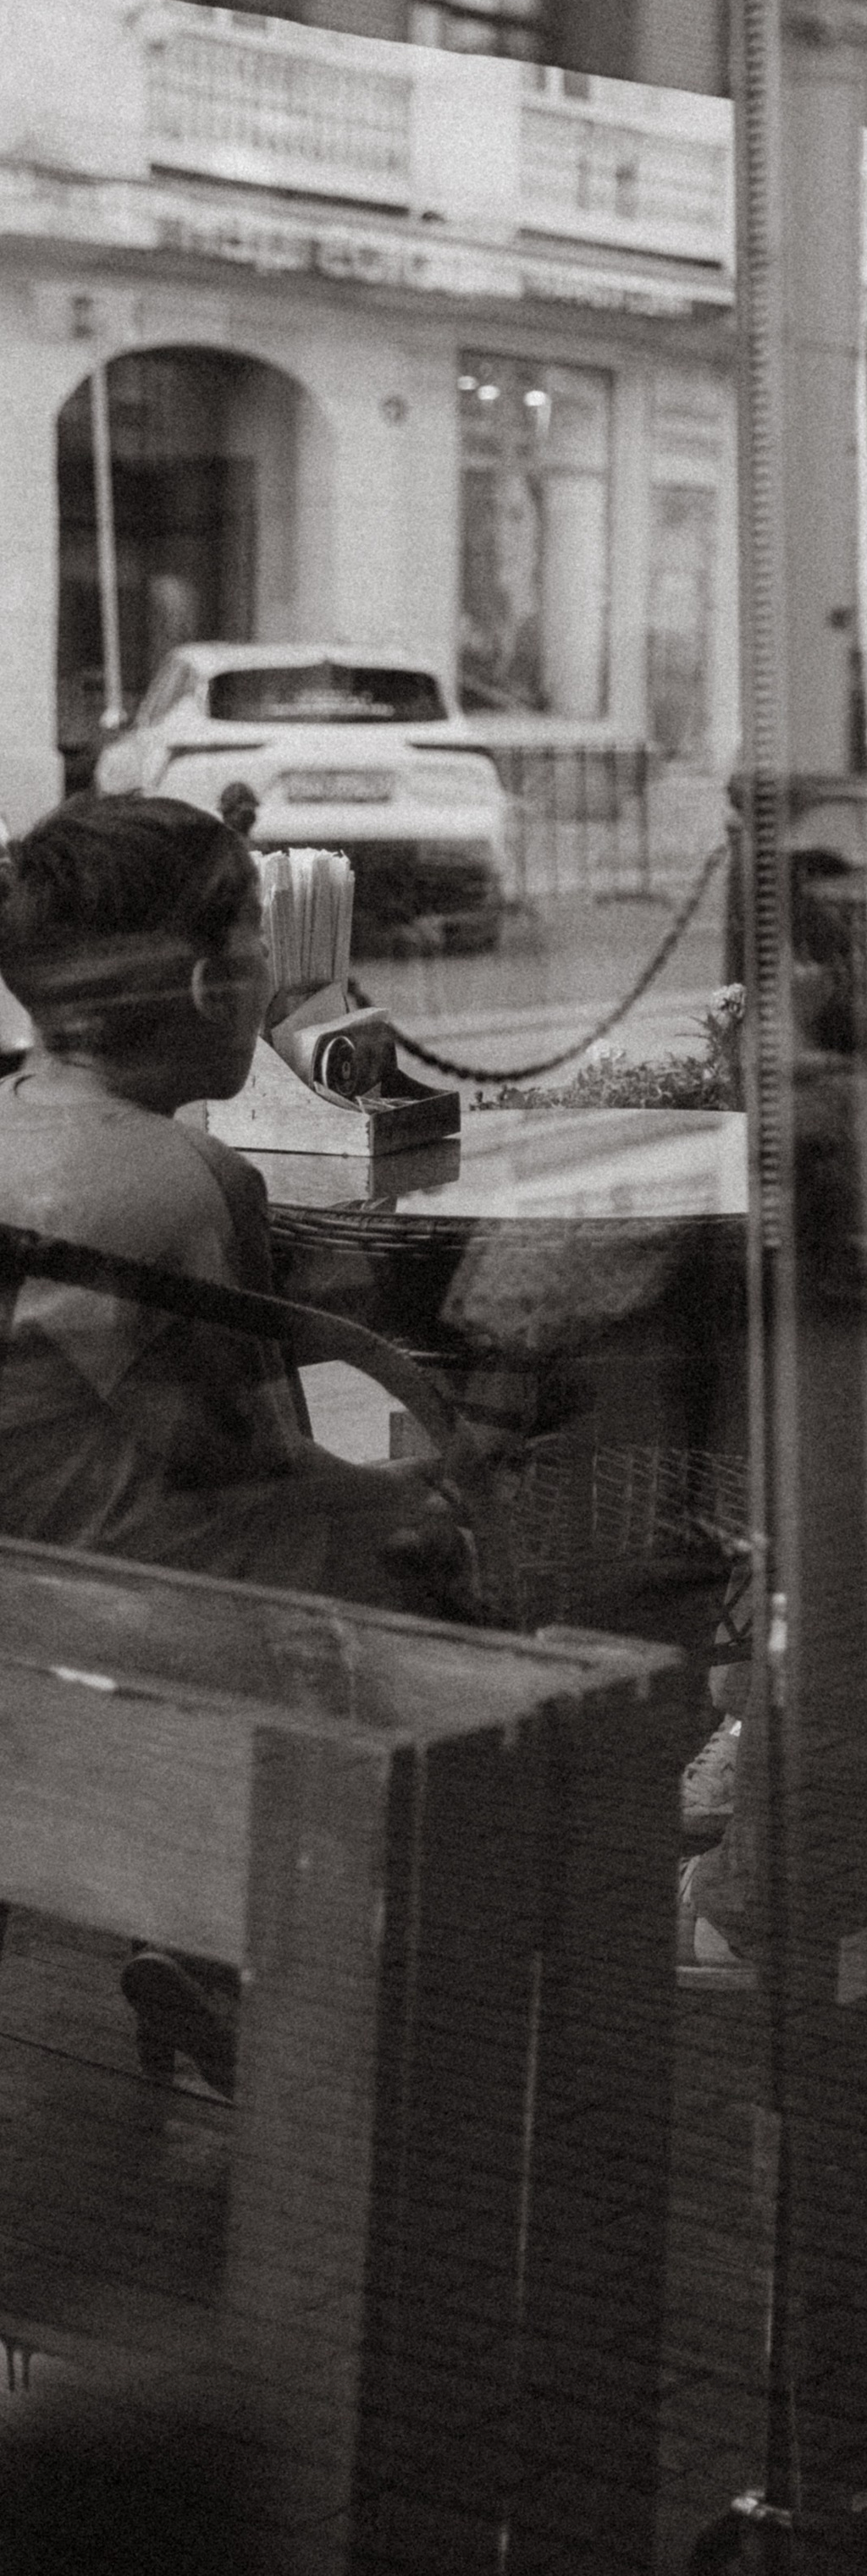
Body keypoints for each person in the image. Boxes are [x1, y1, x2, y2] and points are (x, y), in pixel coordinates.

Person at [0, 795, 463, 2089]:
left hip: (29, 1566)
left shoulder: (20, 1123)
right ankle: (251, 1955)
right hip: (81, 1614)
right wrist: (429, 1496)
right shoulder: (174, 1180)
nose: (277, 969)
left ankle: (203, 1938)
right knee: (428, 1559)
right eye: (263, 939)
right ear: (213, 982)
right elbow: (236, 1469)